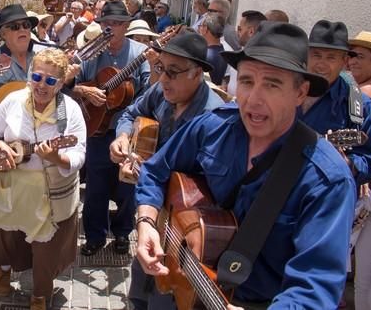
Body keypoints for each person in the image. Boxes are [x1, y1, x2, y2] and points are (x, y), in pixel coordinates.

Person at [136, 22, 356, 308]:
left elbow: (315, 289)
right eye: (248, 81)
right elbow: (155, 170)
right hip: (182, 282)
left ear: (300, 93)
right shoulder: (213, 127)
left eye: (272, 84)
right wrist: (146, 222)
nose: (253, 98)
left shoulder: (326, 179)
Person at [110, 32, 225, 310]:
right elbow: (129, 113)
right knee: (140, 283)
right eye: (160, 68)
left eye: (173, 72)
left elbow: (215, 192)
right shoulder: (161, 91)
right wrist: (123, 136)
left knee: (165, 295)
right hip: (150, 213)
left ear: (197, 73)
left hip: (182, 229)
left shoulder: (215, 119)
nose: (163, 79)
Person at [0, 48, 87, 310]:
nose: (42, 85)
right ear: (29, 76)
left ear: (60, 83)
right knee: (6, 232)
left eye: (50, 81)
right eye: (37, 77)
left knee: (45, 246)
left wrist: (57, 158)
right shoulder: (13, 100)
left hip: (49, 190)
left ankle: (39, 293)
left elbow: (78, 152)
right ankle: (3, 270)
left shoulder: (68, 111)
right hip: (11, 184)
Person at [71, 1, 150, 256]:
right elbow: (70, 84)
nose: (110, 28)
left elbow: (150, 91)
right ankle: (94, 236)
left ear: (126, 27)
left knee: (127, 186)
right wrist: (86, 90)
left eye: (115, 24)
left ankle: (123, 233)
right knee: (96, 187)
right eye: (105, 23)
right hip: (97, 129)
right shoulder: (91, 51)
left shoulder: (140, 53)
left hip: (128, 132)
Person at [301, 20, 371, 186]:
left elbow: (369, 162)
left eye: (331, 57)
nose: (321, 64)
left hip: (321, 195)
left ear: (344, 62)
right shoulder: (288, 90)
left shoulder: (360, 105)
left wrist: (349, 164)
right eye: (316, 55)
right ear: (306, 55)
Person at [347, 31, 371, 310]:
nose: (351, 62)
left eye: (359, 56)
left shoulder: (366, 95)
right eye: (350, 55)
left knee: (368, 290)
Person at [198, 12, 228, 85]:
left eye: (200, 26)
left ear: (205, 29)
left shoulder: (207, 55)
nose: (198, 29)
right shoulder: (222, 49)